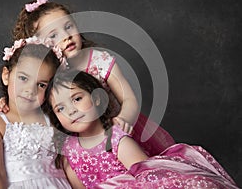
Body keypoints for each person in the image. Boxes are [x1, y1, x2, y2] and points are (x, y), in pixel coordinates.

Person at [0, 0, 175, 156]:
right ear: (39, 45)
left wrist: (123, 120)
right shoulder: (47, 75)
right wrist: (10, 103)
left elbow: (129, 99)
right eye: (53, 35)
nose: (66, 36)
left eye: (68, 26)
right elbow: (34, 102)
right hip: (77, 146)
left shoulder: (99, 60)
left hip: (114, 136)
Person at [43, 70, 239, 189]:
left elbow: (150, 176)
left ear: (96, 99)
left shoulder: (115, 138)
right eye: (60, 108)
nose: (71, 111)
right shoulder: (68, 149)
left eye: (77, 99)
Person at [0, 39, 71, 188]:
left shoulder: (54, 118)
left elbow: (67, 164)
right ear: (6, 76)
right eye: (23, 78)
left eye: (41, 85)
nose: (30, 90)